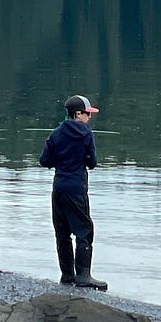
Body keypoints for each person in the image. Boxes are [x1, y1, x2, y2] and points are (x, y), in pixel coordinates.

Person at [39, 94, 107, 291]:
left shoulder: (55, 134)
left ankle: (67, 275)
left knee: (62, 232)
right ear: (78, 114)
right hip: (76, 189)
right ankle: (84, 275)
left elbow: (45, 161)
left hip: (58, 188)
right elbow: (92, 163)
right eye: (87, 114)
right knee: (84, 231)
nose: (89, 117)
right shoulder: (86, 134)